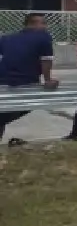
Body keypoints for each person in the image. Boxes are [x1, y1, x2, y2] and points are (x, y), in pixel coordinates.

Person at [0, 11, 58, 146]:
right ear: (33, 23)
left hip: (3, 81)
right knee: (21, 108)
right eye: (43, 23)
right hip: (26, 82)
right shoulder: (43, 37)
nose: (45, 26)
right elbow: (46, 60)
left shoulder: (6, 38)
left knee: (3, 113)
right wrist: (48, 80)